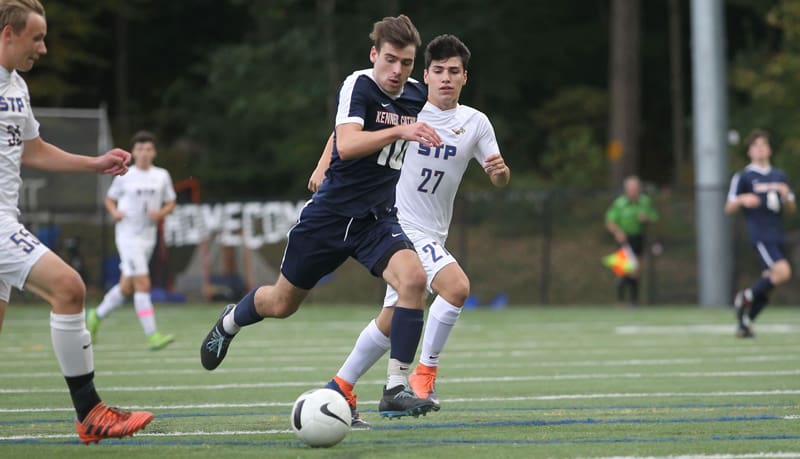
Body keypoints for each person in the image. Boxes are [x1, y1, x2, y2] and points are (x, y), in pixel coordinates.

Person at [199, 14, 442, 419]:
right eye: (390, 59)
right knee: (281, 303)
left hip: (375, 220)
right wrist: (393, 134)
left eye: (406, 63)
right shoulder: (358, 84)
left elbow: (440, 107)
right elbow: (345, 141)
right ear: (374, 54)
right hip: (329, 218)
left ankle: (395, 387)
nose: (398, 70)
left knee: (414, 279)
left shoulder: (418, 95)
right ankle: (230, 322)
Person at [309, 34, 510, 426]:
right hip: (398, 223)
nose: (446, 78)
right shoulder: (408, 105)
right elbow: (346, 129)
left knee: (393, 318)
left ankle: (340, 387)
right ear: (426, 75)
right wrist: (322, 167)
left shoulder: (475, 122)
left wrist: (500, 174)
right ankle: (422, 377)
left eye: (454, 71)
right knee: (456, 288)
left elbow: (498, 174)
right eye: (438, 71)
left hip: (435, 231)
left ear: (465, 77)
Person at [0, 0, 153, 443]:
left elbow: (33, 150)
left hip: (7, 216)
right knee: (69, 287)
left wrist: (96, 163)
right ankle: (90, 413)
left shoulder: (16, 87)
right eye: (37, 37)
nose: (44, 48)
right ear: (9, 34)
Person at [87, 131, 176, 350]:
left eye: (148, 149)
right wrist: (114, 212)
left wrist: (162, 213)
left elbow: (171, 201)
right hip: (128, 236)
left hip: (148, 237)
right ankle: (152, 335)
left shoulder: (162, 175)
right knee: (143, 283)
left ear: (154, 152)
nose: (144, 153)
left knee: (126, 287)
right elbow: (110, 199)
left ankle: (95, 316)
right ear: (133, 152)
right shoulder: (126, 174)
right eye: (140, 149)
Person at [725, 129, 795, 338]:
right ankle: (744, 297)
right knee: (783, 272)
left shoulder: (779, 175)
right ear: (750, 151)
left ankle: (744, 323)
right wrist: (742, 200)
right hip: (760, 234)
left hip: (777, 233)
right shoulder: (744, 176)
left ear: (769, 149)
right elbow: (728, 207)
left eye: (763, 145)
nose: (760, 149)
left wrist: (787, 196)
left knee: (769, 283)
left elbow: (791, 208)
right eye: (756, 146)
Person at [604, 175, 658, 307]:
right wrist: (618, 232)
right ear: (626, 189)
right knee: (623, 270)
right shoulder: (620, 203)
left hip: (638, 238)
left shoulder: (645, 202)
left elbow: (655, 217)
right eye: (631, 188)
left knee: (635, 271)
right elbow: (610, 221)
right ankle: (620, 301)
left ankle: (634, 301)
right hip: (624, 239)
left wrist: (647, 218)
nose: (634, 191)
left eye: (636, 188)